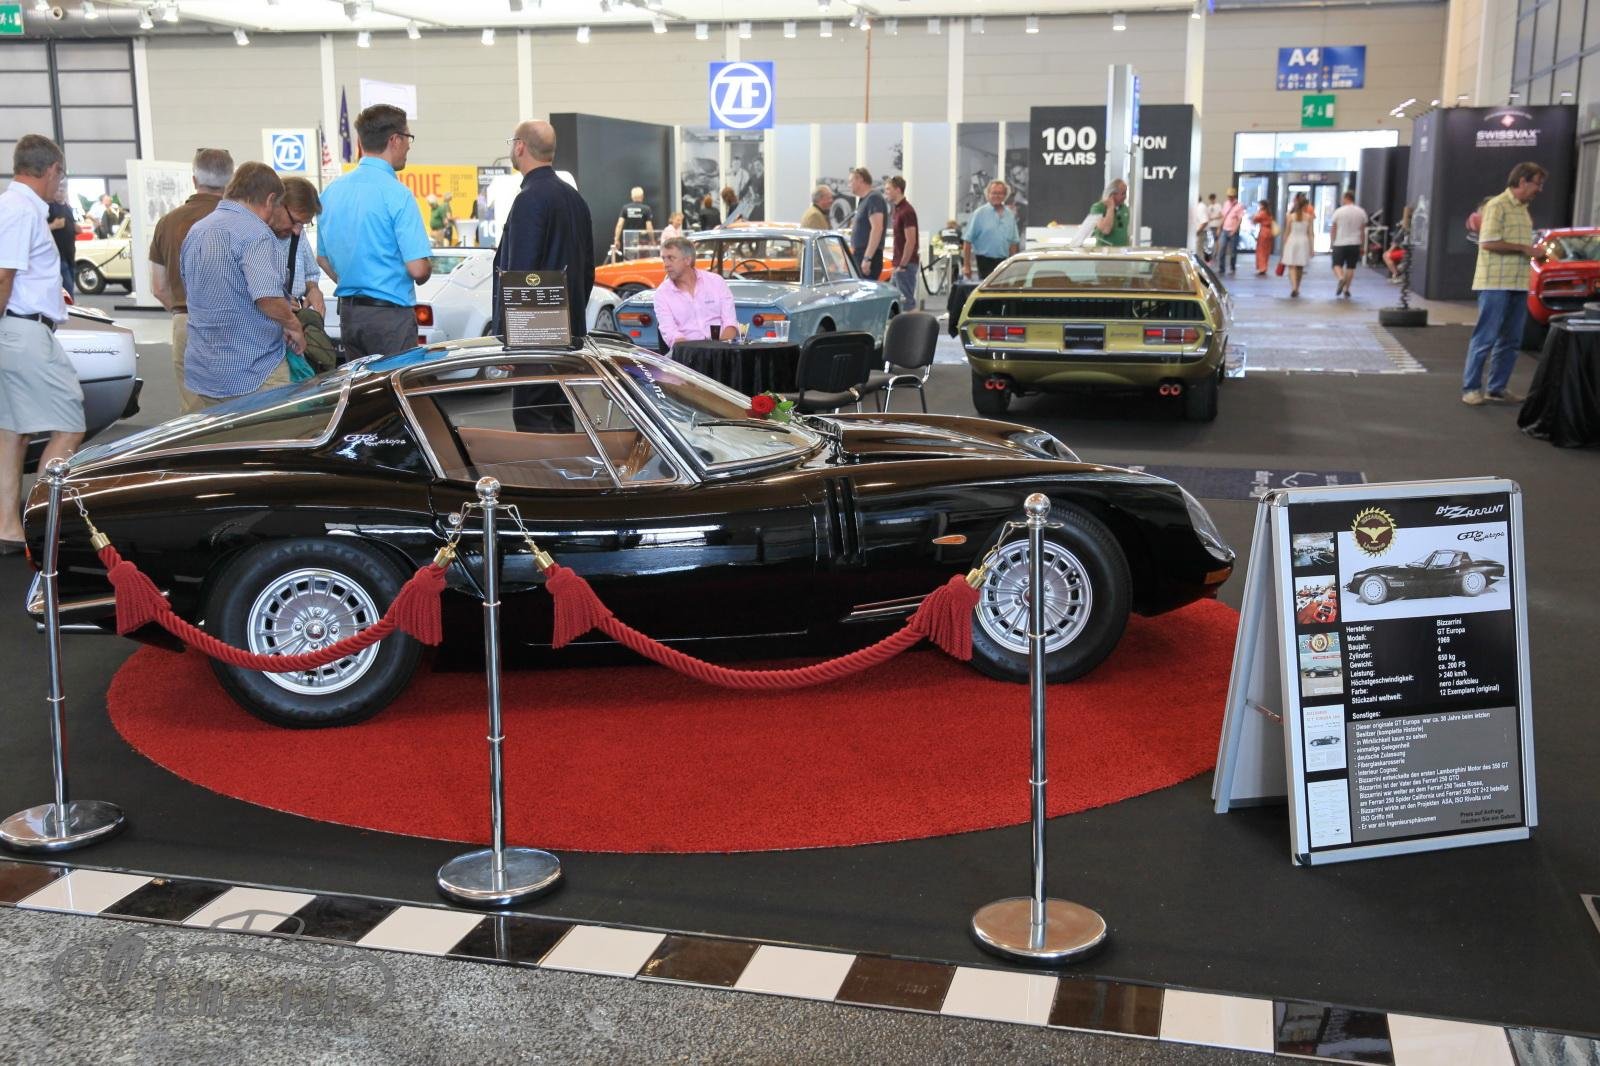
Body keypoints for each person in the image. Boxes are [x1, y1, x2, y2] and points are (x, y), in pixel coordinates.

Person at [0, 135, 79, 553]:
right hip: (24, 331)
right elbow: (3, 275)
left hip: (19, 328)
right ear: (51, 170)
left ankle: (9, 527)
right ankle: (41, 523)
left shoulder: (16, 206)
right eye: (60, 175)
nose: (59, 183)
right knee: (70, 424)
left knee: (13, 433)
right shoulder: (19, 209)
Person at [179, 162, 305, 408]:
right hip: (253, 371)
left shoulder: (196, 231)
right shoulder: (256, 233)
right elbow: (267, 297)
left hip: (205, 370)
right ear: (270, 200)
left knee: (222, 433)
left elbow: (191, 289)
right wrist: (293, 324)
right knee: (273, 430)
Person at [317, 103, 433, 359]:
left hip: (350, 315)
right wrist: (427, 267)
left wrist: (356, 282)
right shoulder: (397, 194)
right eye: (408, 138)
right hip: (390, 318)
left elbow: (322, 258)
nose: (409, 146)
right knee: (396, 384)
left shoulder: (331, 192)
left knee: (361, 385)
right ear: (395, 140)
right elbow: (418, 269)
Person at [148, 147, 234, 413]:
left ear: (194, 180)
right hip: (234, 323)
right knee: (239, 410)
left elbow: (158, 287)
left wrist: (183, 312)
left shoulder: (167, 223)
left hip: (186, 320)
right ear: (230, 180)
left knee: (195, 414)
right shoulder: (241, 221)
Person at [494, 119, 596, 341]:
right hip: (572, 335)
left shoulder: (528, 200)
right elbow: (588, 272)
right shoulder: (577, 200)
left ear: (520, 146)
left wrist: (510, 337)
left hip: (536, 341)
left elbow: (520, 277)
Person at [1462, 162, 1546, 406]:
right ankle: (1471, 388)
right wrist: (1525, 249)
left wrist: (1533, 252)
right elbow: (1487, 242)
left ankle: (1497, 389)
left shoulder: (1524, 210)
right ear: (1522, 181)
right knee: (1485, 338)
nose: (1539, 189)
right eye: (1537, 183)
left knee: (1511, 340)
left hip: (1518, 283)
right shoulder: (1497, 205)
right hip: (1494, 283)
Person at [655, 236, 737, 349]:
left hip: (722, 349)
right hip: (686, 353)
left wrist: (718, 351)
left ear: (687, 260)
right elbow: (672, 334)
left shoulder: (716, 282)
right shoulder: (662, 294)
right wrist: (696, 354)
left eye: (671, 258)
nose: (666, 264)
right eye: (664, 259)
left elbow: (730, 325)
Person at [962, 179, 1021, 280]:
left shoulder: (1010, 215)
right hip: (984, 262)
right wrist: (966, 266)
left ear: (1005, 195)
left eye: (1000, 193)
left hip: (1004, 262)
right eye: (994, 193)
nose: (997, 196)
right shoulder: (979, 214)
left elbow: (1013, 242)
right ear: (988, 194)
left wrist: (1013, 265)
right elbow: (967, 241)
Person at [885, 175, 919, 309]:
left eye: (888, 189)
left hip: (906, 265)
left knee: (907, 303)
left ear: (898, 190)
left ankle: (914, 323)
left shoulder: (907, 211)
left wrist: (903, 265)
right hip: (899, 264)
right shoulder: (897, 210)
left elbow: (911, 241)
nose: (886, 192)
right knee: (894, 302)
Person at [849, 167, 888, 279]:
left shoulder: (873, 198)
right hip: (860, 255)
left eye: (851, 181)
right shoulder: (864, 200)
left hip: (868, 256)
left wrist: (867, 258)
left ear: (860, 179)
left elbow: (877, 228)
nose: (849, 185)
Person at [1329, 191, 1368, 299]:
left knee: (1336, 265)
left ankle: (1341, 278)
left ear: (1346, 198)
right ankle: (1346, 289)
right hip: (1355, 243)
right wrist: (1362, 245)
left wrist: (1332, 242)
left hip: (1340, 242)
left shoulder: (1338, 211)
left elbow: (1334, 228)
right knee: (1351, 267)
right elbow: (1363, 231)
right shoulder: (1361, 212)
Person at [1279, 193, 1314, 298]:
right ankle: (1297, 287)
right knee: (1300, 266)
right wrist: (1312, 248)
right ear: (1305, 206)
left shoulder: (1290, 216)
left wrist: (1284, 245)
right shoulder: (1309, 217)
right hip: (1303, 242)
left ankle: (1294, 287)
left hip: (1292, 241)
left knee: (1292, 266)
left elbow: (1287, 232)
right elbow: (1311, 233)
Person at [46, 186, 75, 295]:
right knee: (67, 286)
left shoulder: (68, 207)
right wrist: (53, 225)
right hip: (58, 254)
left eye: (61, 191)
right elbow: (39, 227)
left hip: (70, 253)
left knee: (70, 283)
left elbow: (71, 225)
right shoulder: (49, 207)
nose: (59, 193)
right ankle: (68, 304)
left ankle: (69, 304)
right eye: (56, 190)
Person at [612, 186, 654, 257]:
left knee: (629, 260)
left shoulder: (625, 208)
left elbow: (619, 225)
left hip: (629, 240)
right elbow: (649, 227)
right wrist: (652, 240)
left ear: (632, 197)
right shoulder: (646, 209)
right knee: (642, 260)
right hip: (642, 240)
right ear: (642, 196)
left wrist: (616, 240)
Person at [1089, 178, 1130, 247]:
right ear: (1112, 194)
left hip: (1122, 251)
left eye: (1125, 193)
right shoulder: (1097, 208)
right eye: (1123, 193)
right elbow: (1106, 230)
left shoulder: (1125, 208)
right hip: (1104, 251)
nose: (1125, 196)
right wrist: (1110, 208)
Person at [1216, 189, 1245, 274]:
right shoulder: (1226, 204)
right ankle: (1221, 268)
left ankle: (1232, 267)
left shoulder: (1239, 206)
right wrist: (1219, 228)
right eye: (1228, 196)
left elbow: (1240, 219)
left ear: (1234, 196)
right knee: (1222, 249)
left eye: (1231, 196)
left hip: (1233, 231)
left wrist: (1235, 230)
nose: (1230, 198)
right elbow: (1223, 217)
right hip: (1225, 230)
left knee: (1233, 251)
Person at [1385, 205, 1413, 282]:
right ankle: (1396, 273)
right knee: (1387, 254)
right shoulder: (1403, 227)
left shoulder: (1407, 227)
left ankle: (1396, 274)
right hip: (1404, 250)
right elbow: (1396, 240)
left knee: (1386, 255)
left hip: (1407, 251)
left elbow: (1396, 241)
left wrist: (1389, 251)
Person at [1252, 200, 1276, 277]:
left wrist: (1255, 214)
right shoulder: (1269, 213)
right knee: (1266, 251)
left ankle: (1262, 267)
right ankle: (1264, 266)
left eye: (1260, 205)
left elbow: (1255, 219)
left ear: (1263, 205)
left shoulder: (1262, 213)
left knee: (1261, 250)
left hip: (1263, 232)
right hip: (1269, 232)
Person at [1204, 193, 1222, 257]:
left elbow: (1221, 215)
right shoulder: (1209, 207)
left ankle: (1216, 254)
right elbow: (1208, 216)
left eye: (1212, 199)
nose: (1211, 200)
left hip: (1216, 225)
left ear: (1215, 199)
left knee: (1216, 240)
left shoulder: (1218, 206)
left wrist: (1213, 218)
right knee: (1210, 240)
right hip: (1210, 226)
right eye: (1211, 199)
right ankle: (1211, 254)